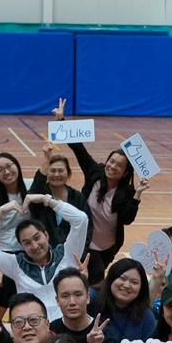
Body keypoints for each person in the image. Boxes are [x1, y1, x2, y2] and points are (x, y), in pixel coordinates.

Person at [47, 106, 140, 279]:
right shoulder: (95, 173)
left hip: (107, 247)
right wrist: (61, 120)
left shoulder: (127, 192)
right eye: (111, 161)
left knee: (94, 280)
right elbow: (79, 149)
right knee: (74, 277)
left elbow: (127, 219)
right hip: (82, 242)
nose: (112, 166)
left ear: (125, 172)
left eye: (118, 165)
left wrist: (137, 195)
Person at [0, 195, 89, 321]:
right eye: (27, 243)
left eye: (37, 238)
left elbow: (81, 220)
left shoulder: (67, 254)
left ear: (46, 235)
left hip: (66, 327)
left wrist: (47, 200)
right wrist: (0, 212)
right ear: (22, 246)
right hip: (34, 329)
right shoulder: (16, 264)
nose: (34, 246)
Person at [96, 258, 157, 343]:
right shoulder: (92, 300)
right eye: (122, 278)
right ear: (111, 278)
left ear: (141, 288)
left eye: (134, 282)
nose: (127, 285)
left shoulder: (146, 317)